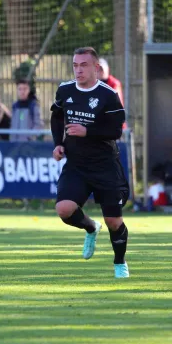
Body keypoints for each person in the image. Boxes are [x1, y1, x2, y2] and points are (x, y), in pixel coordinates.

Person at [50, 47, 129, 278]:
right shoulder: (65, 90)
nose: (78, 70)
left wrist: (87, 131)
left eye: (83, 65)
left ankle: (119, 263)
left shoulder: (108, 94)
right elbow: (56, 116)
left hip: (105, 165)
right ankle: (91, 227)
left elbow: (116, 130)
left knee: (114, 221)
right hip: (76, 165)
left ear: (96, 68)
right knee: (64, 209)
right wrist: (58, 143)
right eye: (75, 65)